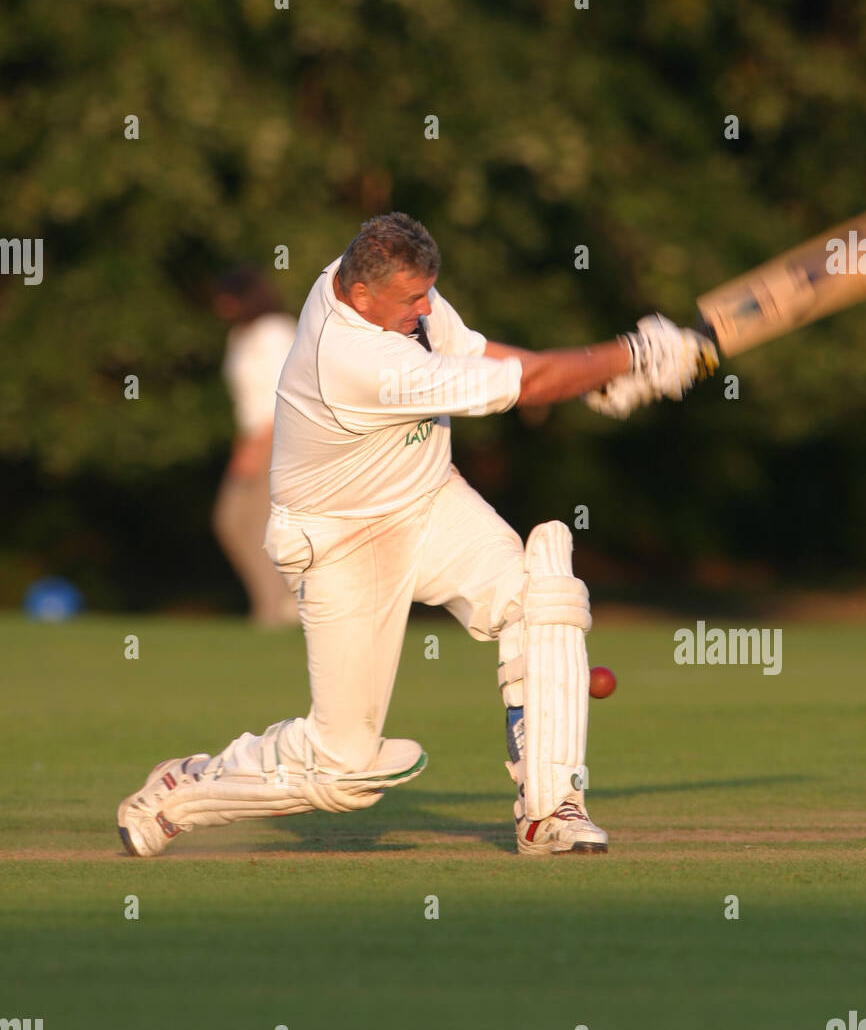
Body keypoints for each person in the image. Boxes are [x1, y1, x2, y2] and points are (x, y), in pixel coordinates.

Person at [118, 213, 716, 858]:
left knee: (543, 598)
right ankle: (183, 788)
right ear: (358, 293)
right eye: (412, 299)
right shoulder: (353, 358)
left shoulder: (386, 293)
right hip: (341, 543)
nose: (426, 307)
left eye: (427, 291)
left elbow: (483, 355)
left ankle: (552, 811)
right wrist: (632, 355)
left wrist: (598, 374)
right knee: (343, 770)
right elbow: (528, 385)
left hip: (430, 503)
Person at [211, 267, 301, 626]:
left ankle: (275, 610)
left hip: (280, 438)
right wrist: (243, 445)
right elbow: (246, 400)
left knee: (261, 525)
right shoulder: (240, 335)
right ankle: (280, 605)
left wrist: (259, 444)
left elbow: (287, 391)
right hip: (252, 437)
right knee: (232, 522)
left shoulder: (275, 331)